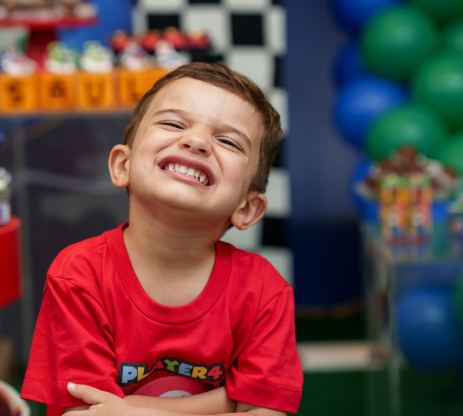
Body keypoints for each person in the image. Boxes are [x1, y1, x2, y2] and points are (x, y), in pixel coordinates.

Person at [21, 61, 303, 416]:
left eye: (228, 141)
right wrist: (229, 402)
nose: (196, 141)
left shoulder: (265, 292)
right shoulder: (79, 275)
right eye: (173, 124)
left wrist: (132, 410)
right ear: (122, 165)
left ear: (247, 209)